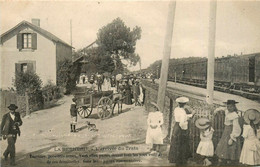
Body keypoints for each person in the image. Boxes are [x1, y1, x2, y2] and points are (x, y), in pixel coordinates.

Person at [214, 100, 242, 165]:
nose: (229, 108)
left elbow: (236, 127)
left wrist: (232, 137)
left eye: (231, 107)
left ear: (234, 107)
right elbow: (223, 108)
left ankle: (229, 162)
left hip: (231, 132)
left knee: (230, 146)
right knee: (224, 146)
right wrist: (217, 110)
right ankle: (225, 161)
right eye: (228, 106)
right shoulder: (227, 111)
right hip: (226, 132)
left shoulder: (234, 115)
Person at [168, 97, 194, 165]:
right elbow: (182, 122)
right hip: (181, 128)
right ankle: (180, 160)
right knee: (182, 144)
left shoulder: (176, 109)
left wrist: (190, 115)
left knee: (175, 142)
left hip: (176, 126)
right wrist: (185, 128)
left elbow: (182, 117)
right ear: (184, 104)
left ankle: (174, 158)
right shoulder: (183, 111)